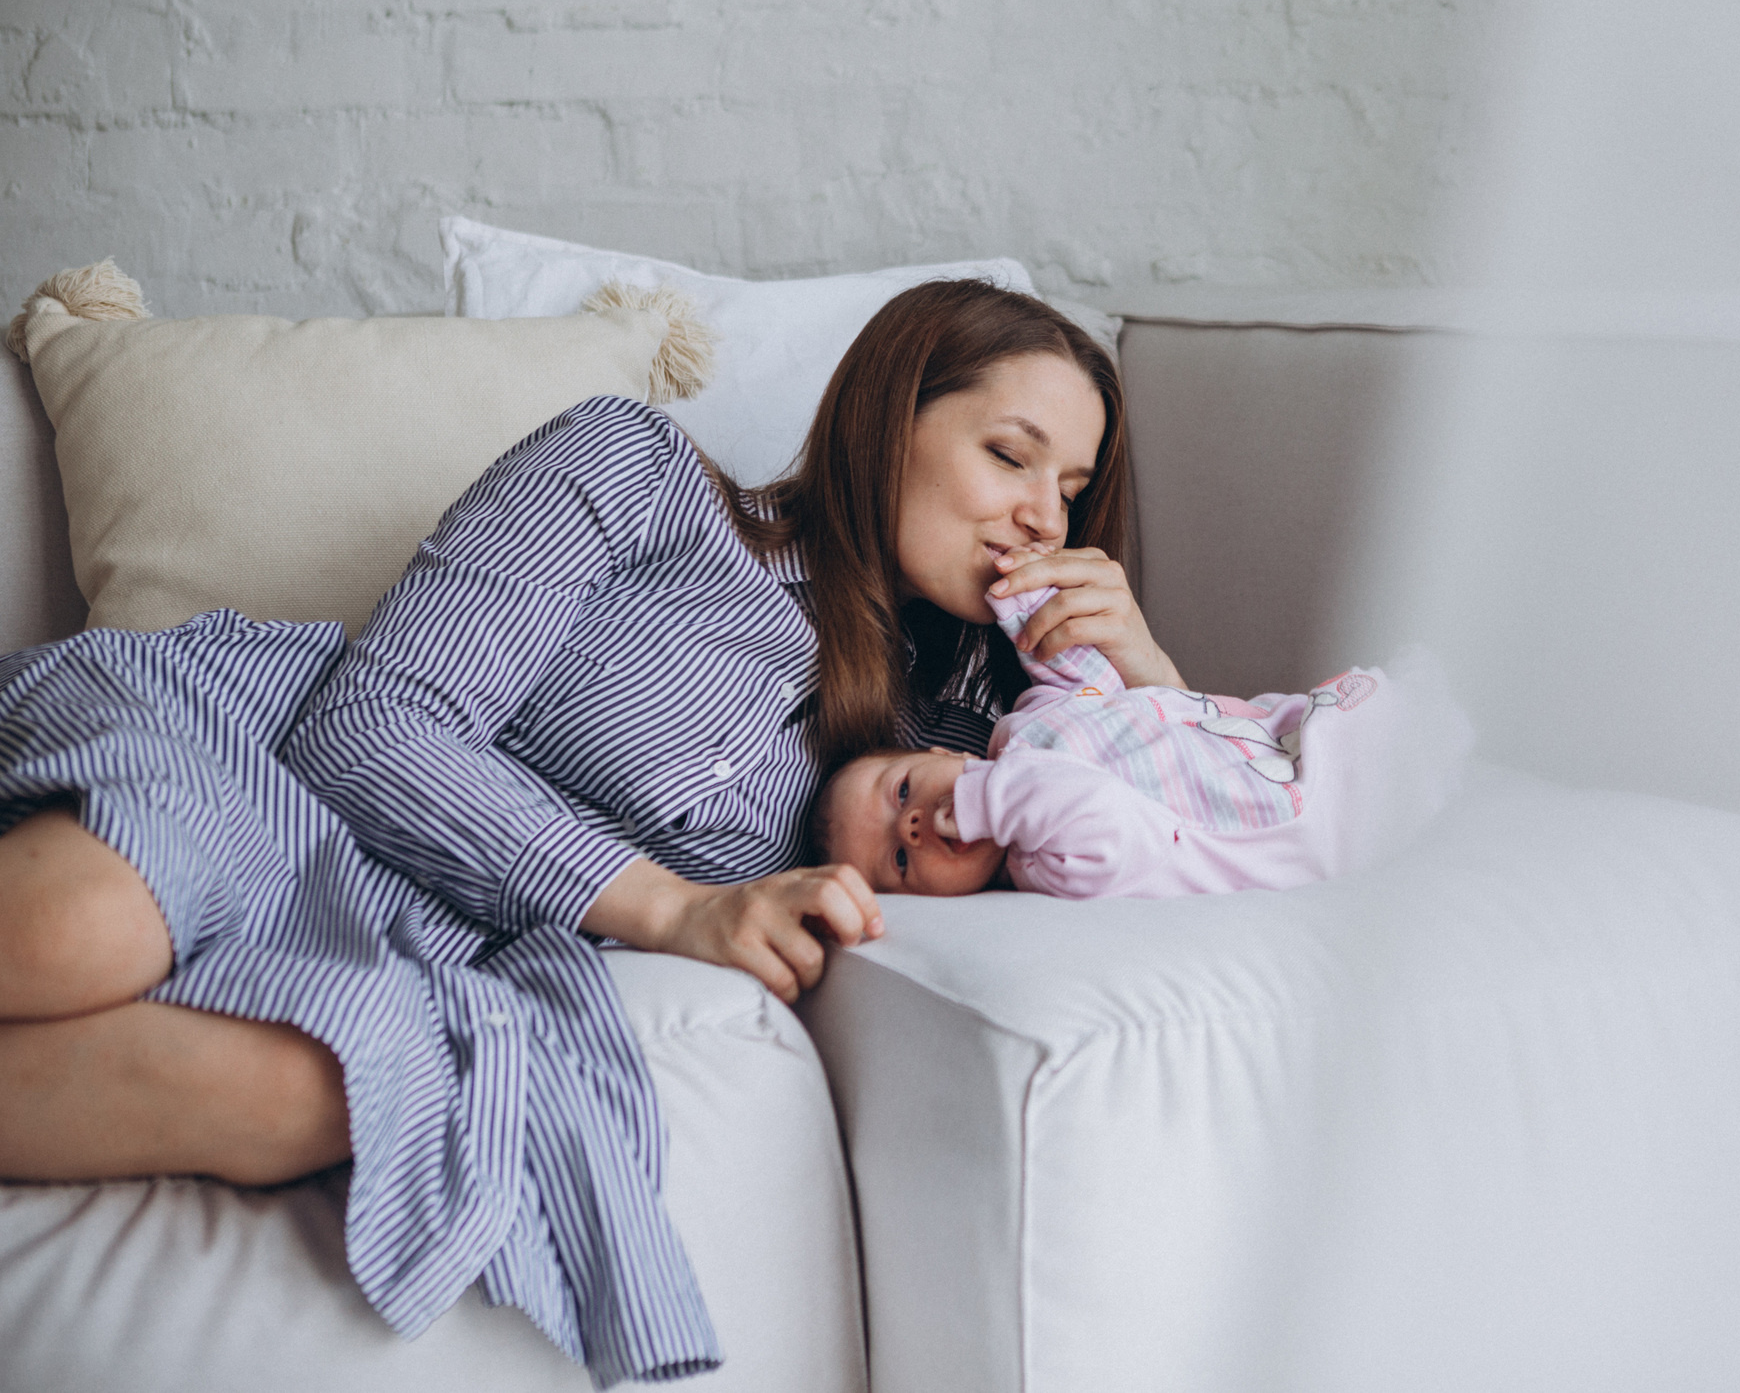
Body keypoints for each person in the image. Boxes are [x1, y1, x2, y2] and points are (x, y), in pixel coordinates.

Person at [0, 280, 1166, 1381]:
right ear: (886, 419)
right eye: (1009, 455)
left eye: (1070, 487)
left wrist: (1146, 684)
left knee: (329, 1088)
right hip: (258, 763)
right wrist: (672, 907)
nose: (1038, 514)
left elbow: (1174, 858)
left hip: (429, 932)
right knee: (88, 930)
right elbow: (370, 729)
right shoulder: (638, 472)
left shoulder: (956, 748)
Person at [818, 580, 1458, 900]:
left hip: (1277, 733)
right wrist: (984, 801)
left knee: (1429, 686)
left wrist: (1025, 601)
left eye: (901, 791)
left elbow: (1089, 683)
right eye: (900, 864)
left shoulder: (1017, 734)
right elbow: (1096, 811)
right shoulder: (1049, 865)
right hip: (1316, 811)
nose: (912, 826)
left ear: (940, 754)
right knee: (1449, 738)